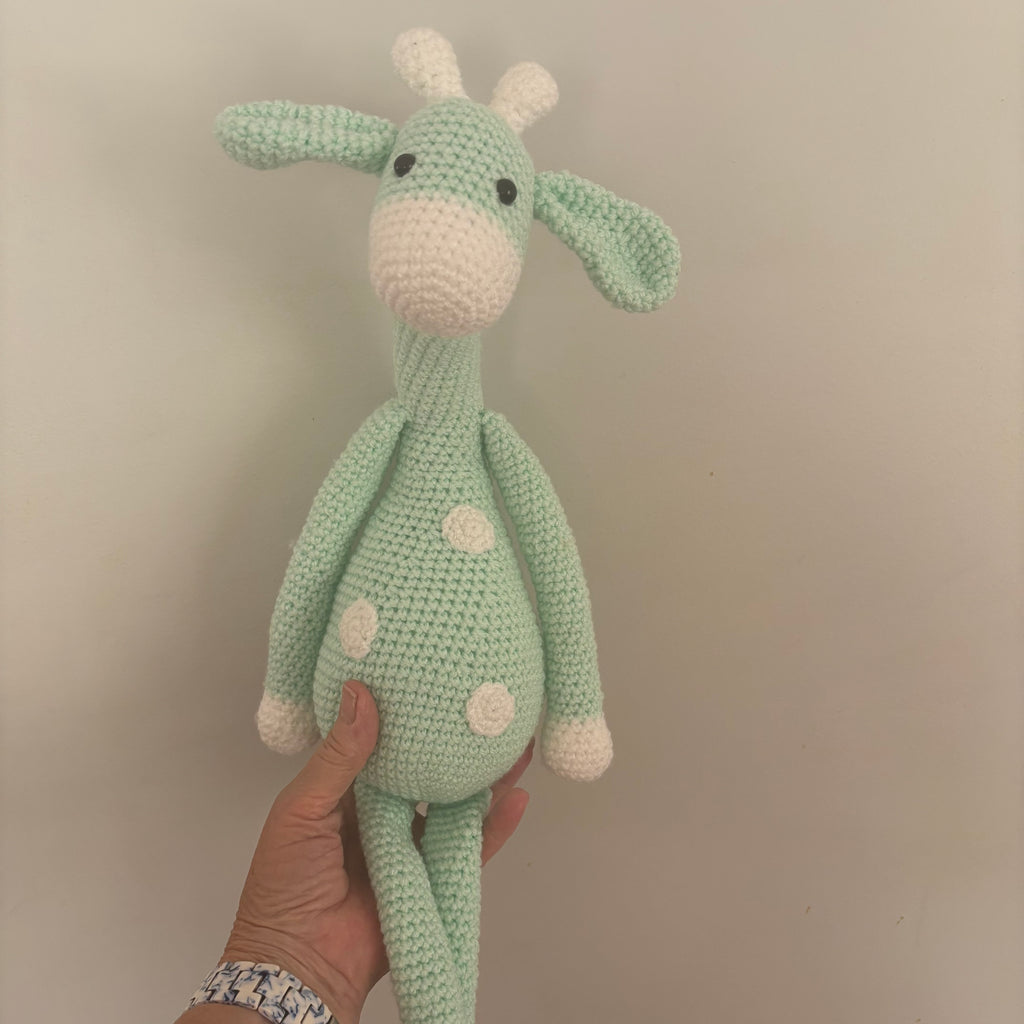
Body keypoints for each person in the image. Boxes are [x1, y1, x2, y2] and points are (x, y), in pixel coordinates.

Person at [175, 680, 533, 1024]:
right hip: (385, 786)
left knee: (447, 879)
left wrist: (283, 958)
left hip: (443, 783)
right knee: (438, 881)